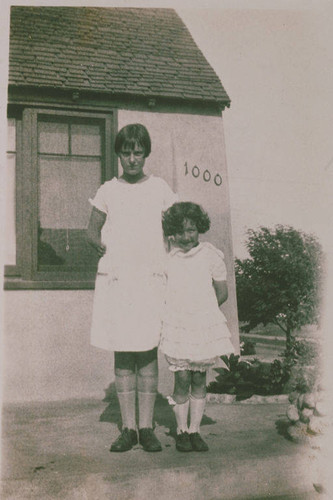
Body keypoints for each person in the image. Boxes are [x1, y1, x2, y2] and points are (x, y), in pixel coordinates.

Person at [87, 123, 177, 452]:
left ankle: (146, 427)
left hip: (150, 281)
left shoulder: (160, 189)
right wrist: (100, 246)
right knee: (124, 353)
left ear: (146, 153)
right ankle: (127, 429)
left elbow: (177, 228)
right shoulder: (108, 190)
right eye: (126, 152)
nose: (132, 158)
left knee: (147, 352)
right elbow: (92, 230)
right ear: (119, 154)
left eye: (138, 152)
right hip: (120, 282)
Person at [160, 202, 235, 452]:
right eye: (180, 231)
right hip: (178, 325)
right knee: (181, 378)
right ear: (172, 232)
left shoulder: (211, 255)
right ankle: (181, 431)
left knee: (199, 378)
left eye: (191, 230)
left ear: (199, 229)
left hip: (201, 325)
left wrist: (203, 310)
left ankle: (195, 431)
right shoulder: (168, 257)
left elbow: (221, 292)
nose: (186, 236)